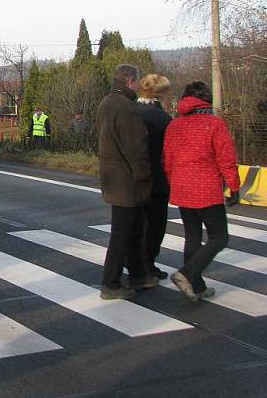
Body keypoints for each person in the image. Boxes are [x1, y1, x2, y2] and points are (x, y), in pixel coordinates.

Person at [163, 81, 241, 302]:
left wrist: (174, 182)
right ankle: (186, 274)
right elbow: (226, 159)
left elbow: (167, 161)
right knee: (219, 237)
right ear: (206, 100)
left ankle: (195, 287)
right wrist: (233, 186)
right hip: (206, 189)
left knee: (193, 236)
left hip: (182, 188)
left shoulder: (174, 125)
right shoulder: (214, 124)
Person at [97, 64, 155, 300]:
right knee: (123, 233)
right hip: (127, 179)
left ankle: (138, 275)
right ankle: (111, 283)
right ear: (131, 81)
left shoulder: (107, 102)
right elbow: (135, 146)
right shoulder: (127, 106)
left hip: (111, 175)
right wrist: (143, 175)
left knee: (131, 229)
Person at [136, 74, 172, 280]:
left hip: (132, 177)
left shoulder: (132, 111)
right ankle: (148, 263)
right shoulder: (162, 118)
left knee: (137, 223)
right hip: (156, 178)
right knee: (155, 224)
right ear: (160, 94)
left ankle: (135, 263)